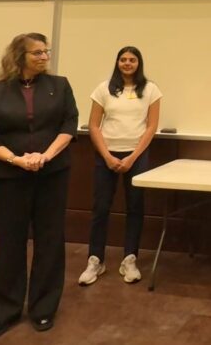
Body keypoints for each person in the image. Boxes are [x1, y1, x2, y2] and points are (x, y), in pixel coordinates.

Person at [0, 34, 78, 340]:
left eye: (46, 51)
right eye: (37, 53)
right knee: (10, 242)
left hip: (52, 174)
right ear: (19, 57)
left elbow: (69, 125)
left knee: (50, 240)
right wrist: (16, 160)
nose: (45, 57)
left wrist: (45, 156)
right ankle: (3, 312)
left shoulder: (60, 85)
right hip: (10, 177)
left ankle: (43, 308)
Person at [78, 46, 161, 286]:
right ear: (117, 63)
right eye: (123, 59)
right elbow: (94, 126)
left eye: (132, 60)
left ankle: (130, 260)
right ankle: (96, 260)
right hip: (106, 155)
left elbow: (151, 127)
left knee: (135, 207)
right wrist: (107, 156)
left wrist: (132, 157)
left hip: (137, 155)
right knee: (101, 207)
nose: (127, 63)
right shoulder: (103, 89)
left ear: (139, 63)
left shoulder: (151, 89)